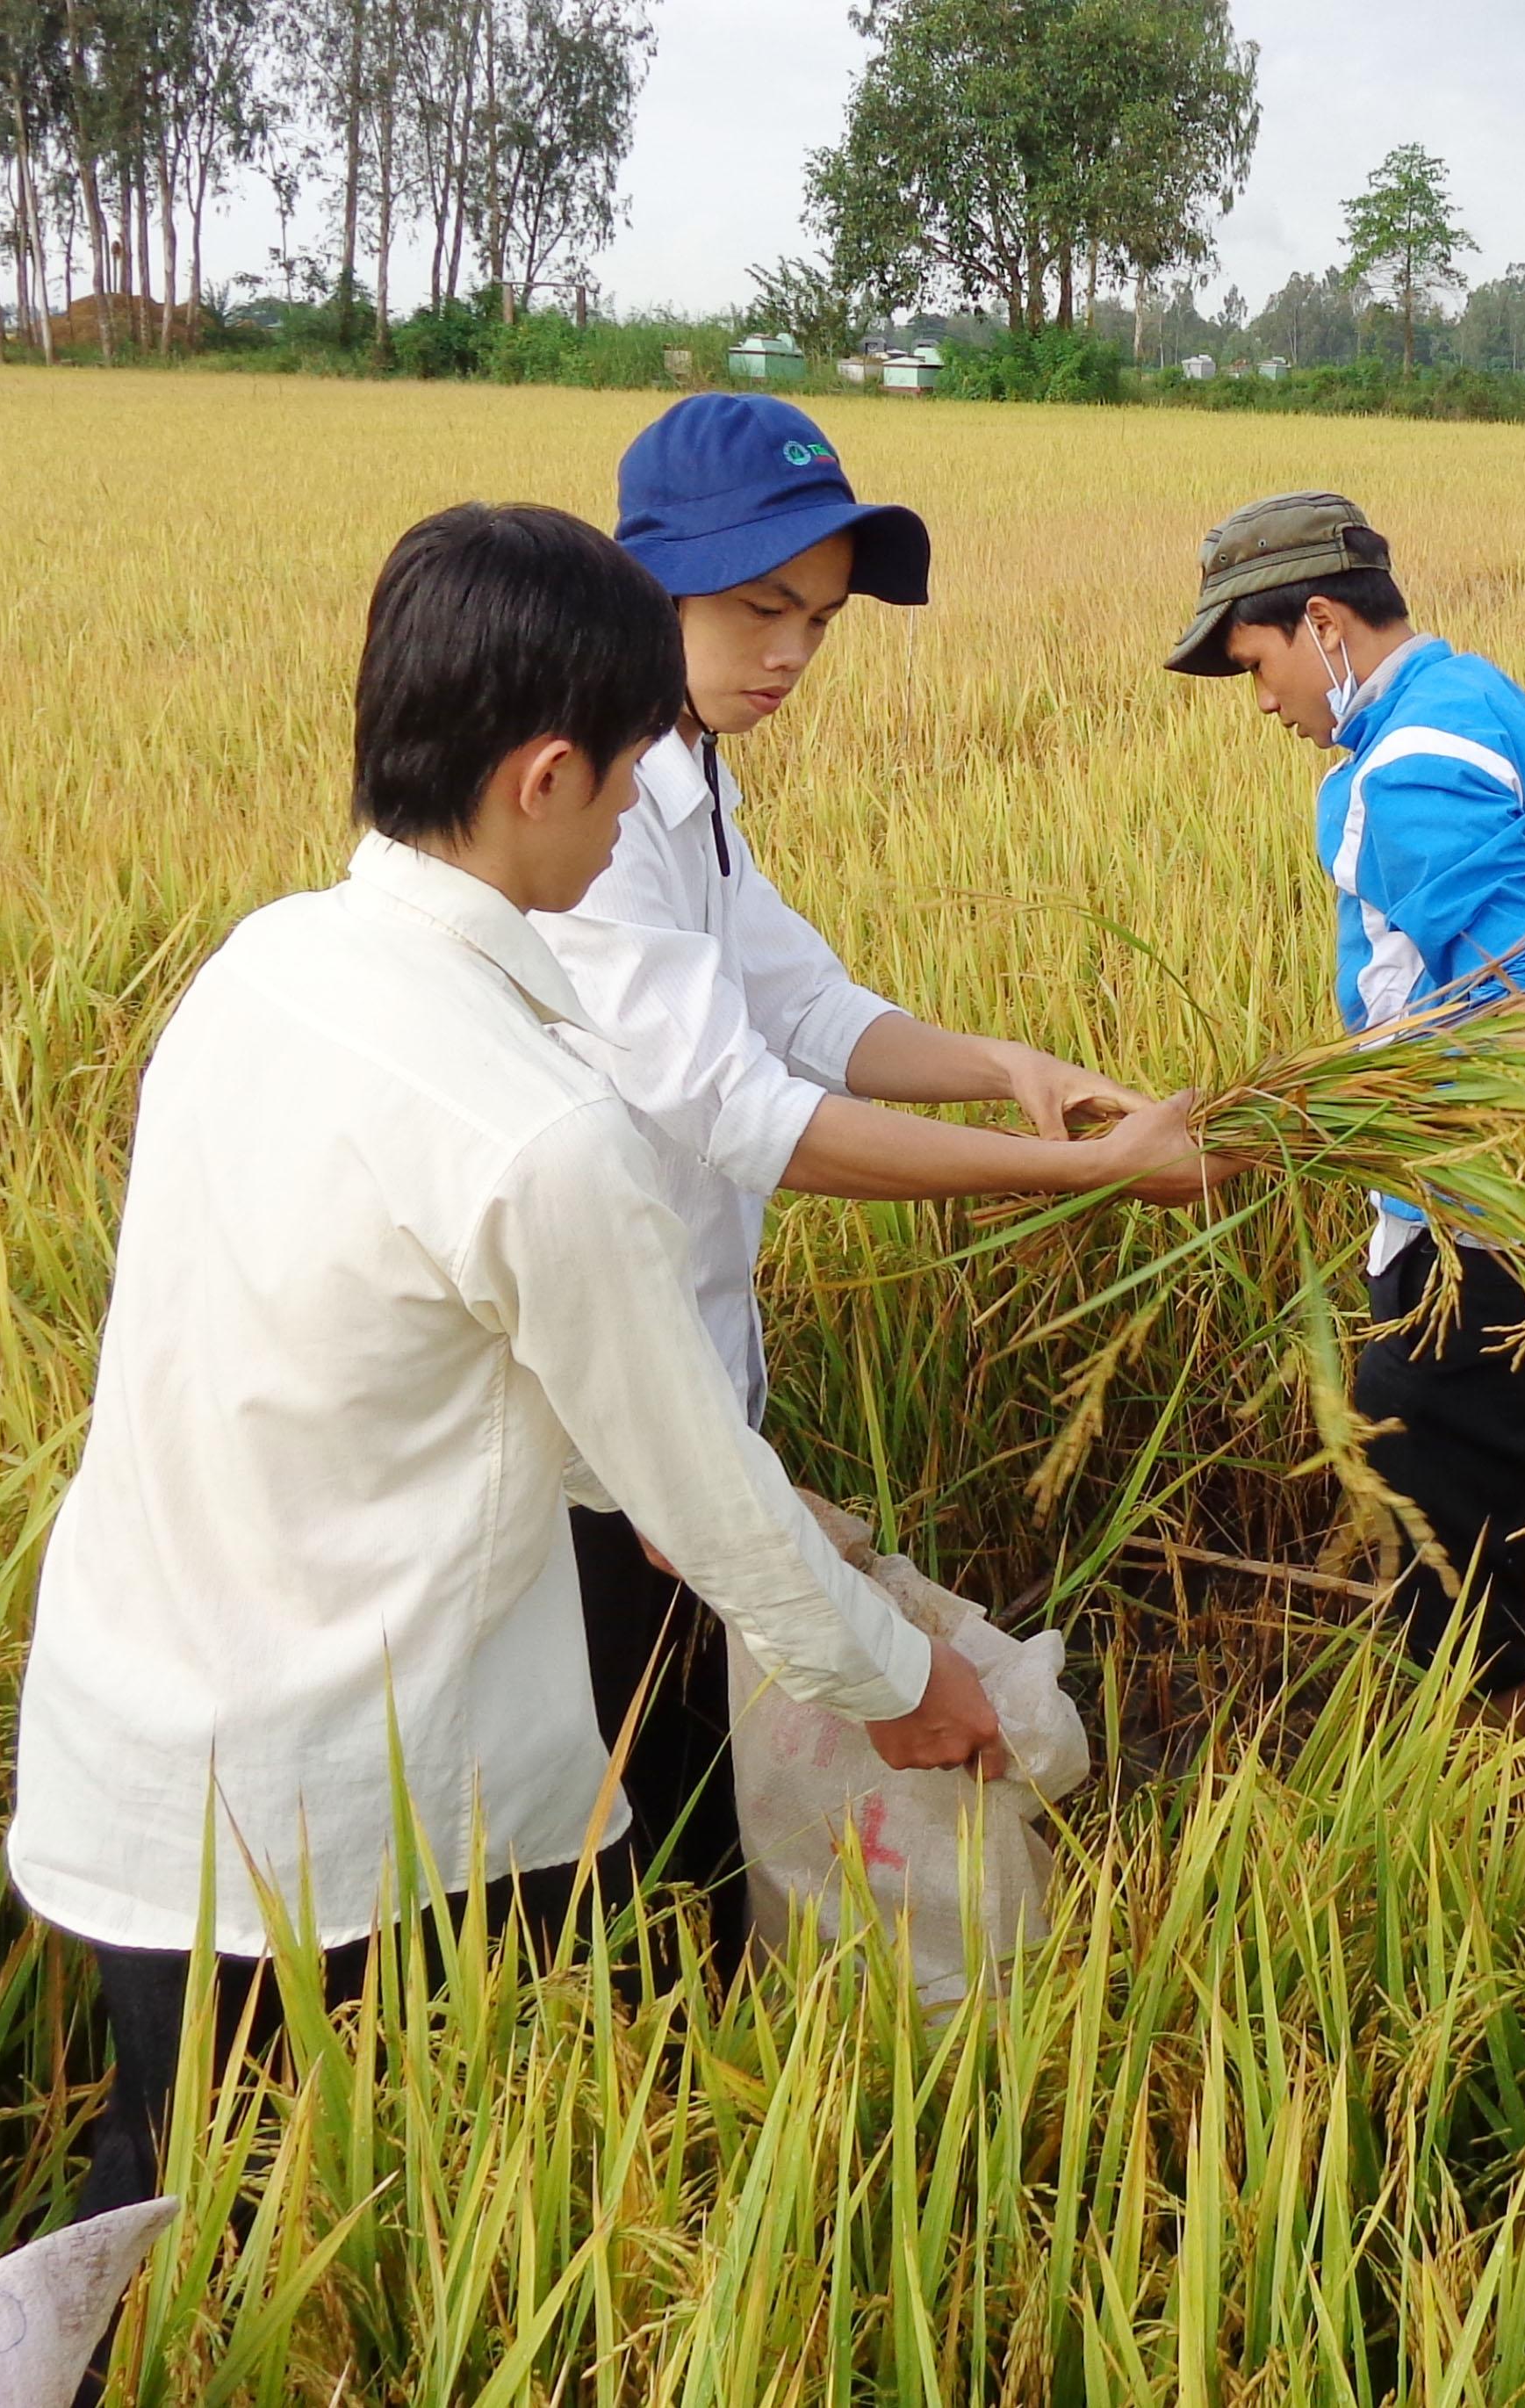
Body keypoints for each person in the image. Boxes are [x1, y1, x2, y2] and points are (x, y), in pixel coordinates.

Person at [5, 501, 1020, 2219]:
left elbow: (391, 1357)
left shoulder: (260, 968)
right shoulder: (533, 1128)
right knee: (377, 2217)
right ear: (546, 777)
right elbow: (692, 1482)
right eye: (626, 776)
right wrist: (901, 1679)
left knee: (173, 2193)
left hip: (142, 1735)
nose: (637, 810)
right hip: (345, 1797)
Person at [533, 393, 1222, 1971]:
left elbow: (811, 1011)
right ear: (651, 583)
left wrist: (1014, 1070)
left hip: (687, 1400)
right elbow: (742, 1109)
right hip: (592, 1434)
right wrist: (1093, 1178)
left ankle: (715, 2039)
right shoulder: (600, 811)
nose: (791, 654)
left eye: (819, 624)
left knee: (692, 1804)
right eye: (762, 606)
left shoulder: (690, 777)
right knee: (621, 1835)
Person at [1163, 492, 1525, 1712]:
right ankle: (1494, 1722)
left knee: (1442, 1504)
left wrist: (1343, 1109)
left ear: (1321, 622)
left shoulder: (1412, 763)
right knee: (1492, 1489)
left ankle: (1466, 1773)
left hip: (1474, 1213)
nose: (1262, 700)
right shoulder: (1486, 701)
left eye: (1257, 663)